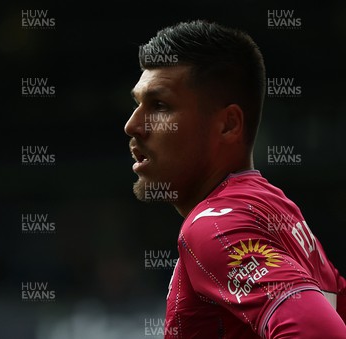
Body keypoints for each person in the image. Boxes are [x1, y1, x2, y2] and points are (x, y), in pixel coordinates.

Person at [125, 20, 346, 338]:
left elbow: (318, 331)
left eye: (160, 106)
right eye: (137, 104)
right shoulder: (279, 211)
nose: (132, 126)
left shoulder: (214, 227)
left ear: (228, 125)